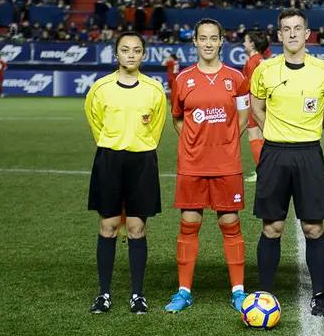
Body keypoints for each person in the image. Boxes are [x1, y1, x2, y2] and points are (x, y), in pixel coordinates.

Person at [250, 8, 324, 317]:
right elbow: (257, 108)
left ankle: (320, 294)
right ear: (279, 35)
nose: (292, 34)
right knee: (272, 227)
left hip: (309, 153)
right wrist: (277, 131)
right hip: (274, 153)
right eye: (286, 29)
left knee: (313, 227)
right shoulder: (265, 70)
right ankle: (265, 294)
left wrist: (308, 129)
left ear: (307, 32)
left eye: (297, 28)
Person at [165, 19, 251, 313]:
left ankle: (238, 291)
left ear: (221, 42)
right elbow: (178, 118)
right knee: (190, 223)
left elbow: (242, 117)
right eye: (203, 38)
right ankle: (184, 291)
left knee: (230, 224)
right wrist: (194, 142)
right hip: (192, 164)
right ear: (195, 42)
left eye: (213, 38)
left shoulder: (236, 78)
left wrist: (227, 141)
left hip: (227, 163)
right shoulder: (182, 79)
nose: (208, 43)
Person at [84, 31, 167, 314]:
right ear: (116, 54)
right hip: (109, 160)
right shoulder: (100, 88)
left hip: (142, 161)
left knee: (136, 228)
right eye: (125, 50)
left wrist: (137, 146)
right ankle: (104, 294)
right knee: (107, 227)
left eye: (136, 50)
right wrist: (113, 144)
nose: (130, 55)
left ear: (144, 55)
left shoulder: (154, 89)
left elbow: (156, 128)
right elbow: (95, 123)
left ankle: (137, 295)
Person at [242, 30, 271, 182]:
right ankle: (267, 169)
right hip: (264, 101)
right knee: (261, 136)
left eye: (246, 41)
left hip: (254, 101)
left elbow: (253, 85)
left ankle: (262, 171)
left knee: (253, 135)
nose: (243, 43)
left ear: (252, 43)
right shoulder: (262, 59)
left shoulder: (252, 61)